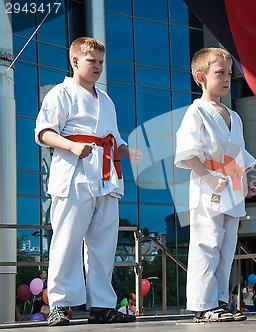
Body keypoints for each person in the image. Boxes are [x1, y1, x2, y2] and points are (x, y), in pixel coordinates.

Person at [35, 37, 141, 326]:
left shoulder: (106, 99)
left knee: (104, 244)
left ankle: (102, 306)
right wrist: (70, 146)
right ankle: (60, 304)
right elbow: (44, 132)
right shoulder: (60, 93)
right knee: (66, 241)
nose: (97, 67)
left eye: (101, 62)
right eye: (91, 61)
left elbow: (114, 138)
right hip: (74, 175)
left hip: (106, 178)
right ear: (75, 61)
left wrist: (127, 151)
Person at [174, 47, 256, 323]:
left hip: (232, 189)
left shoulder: (234, 117)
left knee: (227, 247)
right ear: (201, 77)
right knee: (207, 244)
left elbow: (240, 156)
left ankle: (221, 300)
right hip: (207, 186)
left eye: (229, 74)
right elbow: (188, 151)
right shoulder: (196, 112)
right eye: (219, 73)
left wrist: (246, 184)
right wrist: (207, 177)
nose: (226, 79)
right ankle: (202, 305)